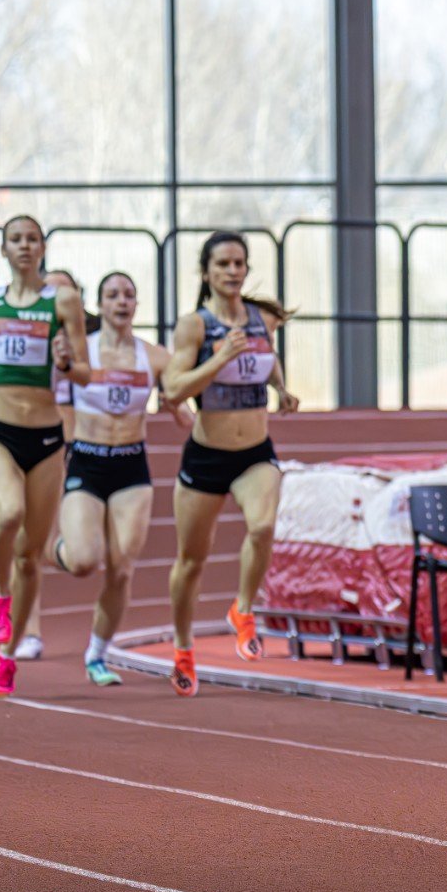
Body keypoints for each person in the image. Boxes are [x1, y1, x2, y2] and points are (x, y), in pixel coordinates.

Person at [0, 215, 91, 698]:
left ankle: (6, 658)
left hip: (48, 440)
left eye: (33, 239)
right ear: (4, 249)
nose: (25, 246)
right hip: (0, 435)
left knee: (31, 556)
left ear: (43, 248)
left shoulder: (63, 301)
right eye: (16, 240)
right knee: (8, 513)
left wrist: (67, 360)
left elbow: (86, 373)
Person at [162, 232, 299, 698]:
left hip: (255, 452)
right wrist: (220, 358)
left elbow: (268, 357)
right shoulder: (194, 327)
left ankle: (243, 610)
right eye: (223, 264)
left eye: (239, 263)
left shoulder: (263, 319)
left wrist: (282, 387)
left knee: (262, 527)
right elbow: (174, 389)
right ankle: (183, 648)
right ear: (206, 272)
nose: (233, 271)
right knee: (191, 560)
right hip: (206, 456)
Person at [50, 271, 189, 686]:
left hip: (131, 466)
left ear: (136, 304)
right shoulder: (81, 354)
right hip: (87, 463)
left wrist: (184, 410)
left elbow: (180, 409)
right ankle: (48, 549)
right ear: (101, 304)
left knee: (122, 568)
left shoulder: (155, 356)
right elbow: (59, 405)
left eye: (129, 294)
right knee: (83, 561)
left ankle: (96, 653)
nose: (121, 302)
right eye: (112, 295)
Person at [15, 267, 82, 663]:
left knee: (78, 553)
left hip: (82, 449)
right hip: (36, 443)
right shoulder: (25, 337)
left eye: (65, 293)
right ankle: (29, 629)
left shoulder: (88, 342)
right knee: (25, 535)